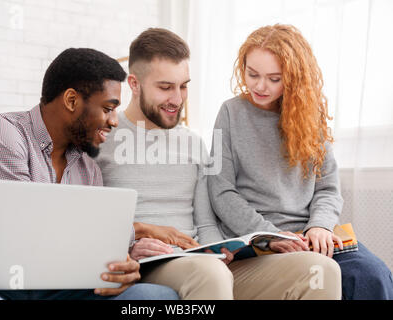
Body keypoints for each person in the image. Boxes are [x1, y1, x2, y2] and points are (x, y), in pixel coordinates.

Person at [96, 27, 342, 300]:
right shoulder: (101, 140)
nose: (177, 99)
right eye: (165, 87)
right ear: (134, 84)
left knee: (321, 271)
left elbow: (205, 219)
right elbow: (89, 223)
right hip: (149, 263)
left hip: (200, 259)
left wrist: (217, 248)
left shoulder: (194, 144)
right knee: (209, 273)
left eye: (184, 86)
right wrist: (128, 245)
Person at [0, 48, 178, 300]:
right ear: (71, 101)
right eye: (108, 108)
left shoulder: (88, 168)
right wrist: (137, 228)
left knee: (154, 296)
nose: (114, 121)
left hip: (61, 288)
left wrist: (122, 268)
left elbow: (91, 242)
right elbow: (28, 226)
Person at [207, 24, 393, 300]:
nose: (260, 86)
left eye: (274, 78)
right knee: (317, 275)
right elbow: (221, 191)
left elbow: (328, 188)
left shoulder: (309, 116)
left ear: (292, 77)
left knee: (372, 274)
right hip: (258, 239)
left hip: (309, 236)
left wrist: (320, 226)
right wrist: (271, 235)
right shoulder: (230, 113)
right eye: (252, 74)